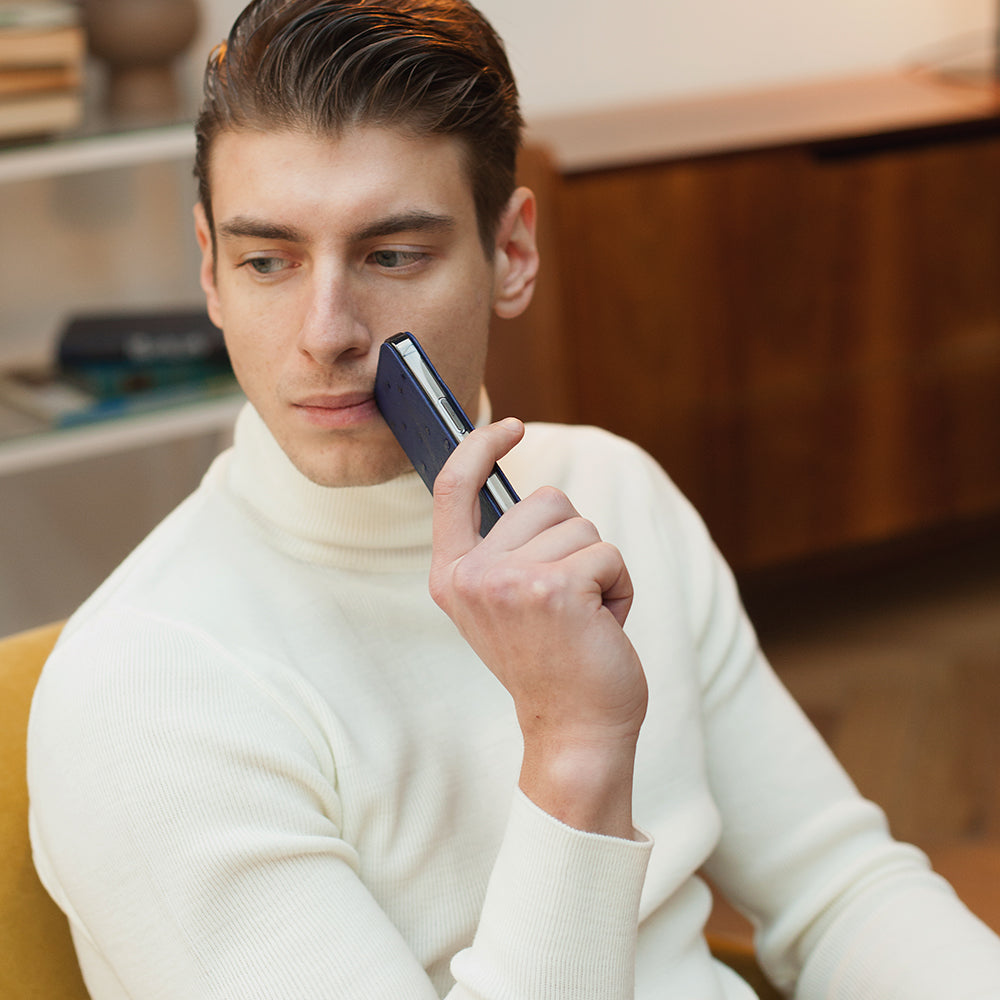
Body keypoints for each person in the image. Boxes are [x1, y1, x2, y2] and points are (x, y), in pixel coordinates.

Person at [25, 1, 1000, 998]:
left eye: (392, 255)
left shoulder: (613, 489)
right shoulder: (144, 691)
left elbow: (841, 891)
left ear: (514, 254)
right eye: (268, 260)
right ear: (210, 270)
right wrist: (573, 746)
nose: (326, 333)